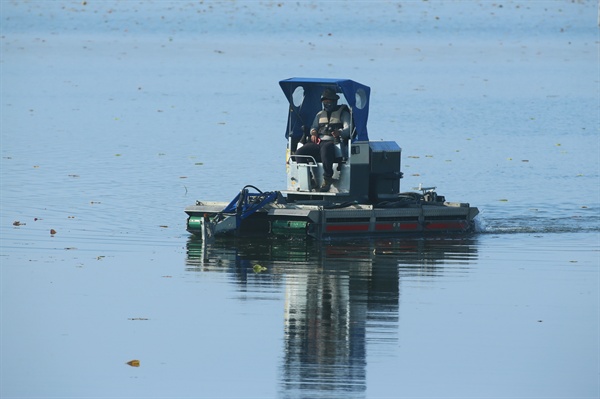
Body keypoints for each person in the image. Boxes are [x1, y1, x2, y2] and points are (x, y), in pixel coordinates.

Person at [294, 88, 351, 192]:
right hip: (319, 142)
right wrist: (313, 132)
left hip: (334, 142)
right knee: (299, 152)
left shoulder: (343, 114)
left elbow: (348, 130)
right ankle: (310, 180)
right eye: (325, 102)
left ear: (335, 101)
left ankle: (327, 178)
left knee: (326, 147)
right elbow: (313, 127)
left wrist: (339, 132)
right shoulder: (320, 114)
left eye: (329, 102)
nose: (327, 104)